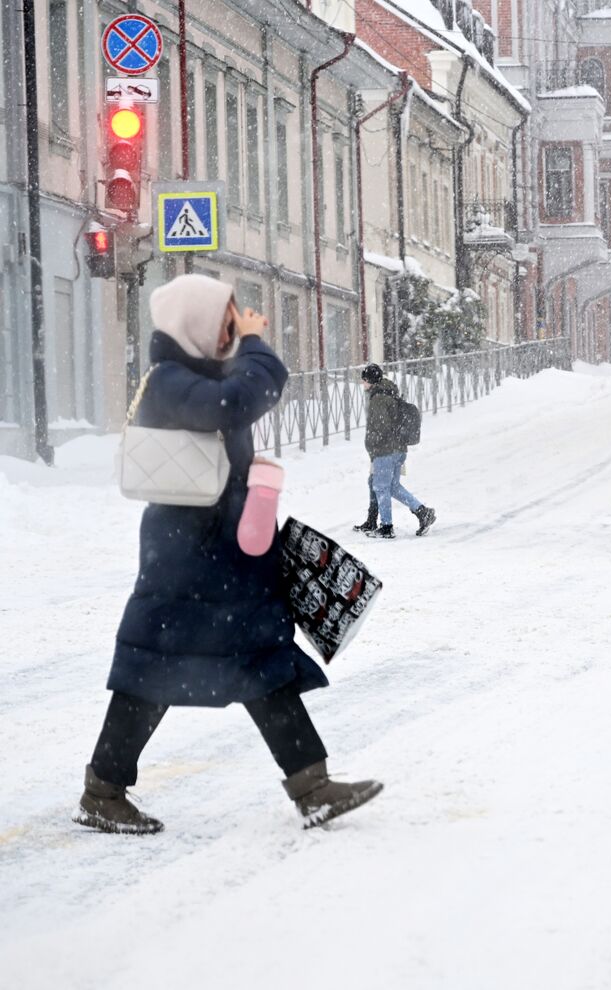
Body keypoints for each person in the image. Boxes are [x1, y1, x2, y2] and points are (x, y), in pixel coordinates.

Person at [77, 274, 382, 835]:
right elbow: (244, 398)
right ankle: (102, 791)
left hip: (222, 556)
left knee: (262, 666)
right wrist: (255, 345)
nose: (234, 327)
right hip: (187, 560)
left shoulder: (190, 378)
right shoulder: (172, 383)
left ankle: (311, 787)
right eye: (226, 317)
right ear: (194, 321)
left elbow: (234, 413)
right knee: (152, 673)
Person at [361, 364, 435, 538]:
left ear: (369, 381)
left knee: (380, 487)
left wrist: (373, 446)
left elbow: (380, 427)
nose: (362, 383)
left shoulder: (378, 399)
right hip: (398, 448)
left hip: (385, 450)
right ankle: (422, 512)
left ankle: (386, 527)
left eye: (364, 380)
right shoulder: (389, 392)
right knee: (393, 487)